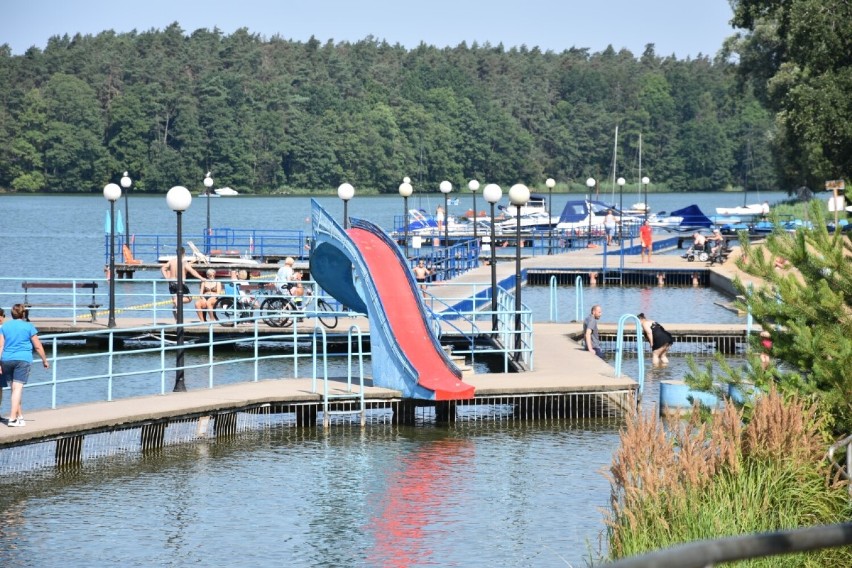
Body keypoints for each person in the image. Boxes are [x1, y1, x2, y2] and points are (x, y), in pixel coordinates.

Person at [0, 304, 49, 427]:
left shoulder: (4, 326)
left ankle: (19, 417)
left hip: (6, 359)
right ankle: (12, 419)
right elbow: (37, 345)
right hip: (22, 359)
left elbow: (1, 346)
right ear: (23, 314)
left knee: (15, 389)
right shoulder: (28, 326)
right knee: (17, 388)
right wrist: (44, 360)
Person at [160, 248, 205, 320]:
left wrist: (167, 278)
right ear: (184, 253)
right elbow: (192, 271)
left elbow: (163, 268)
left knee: (176, 303)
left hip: (171, 283)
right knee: (189, 298)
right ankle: (177, 302)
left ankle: (177, 320)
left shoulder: (171, 261)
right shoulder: (184, 262)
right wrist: (201, 278)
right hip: (180, 284)